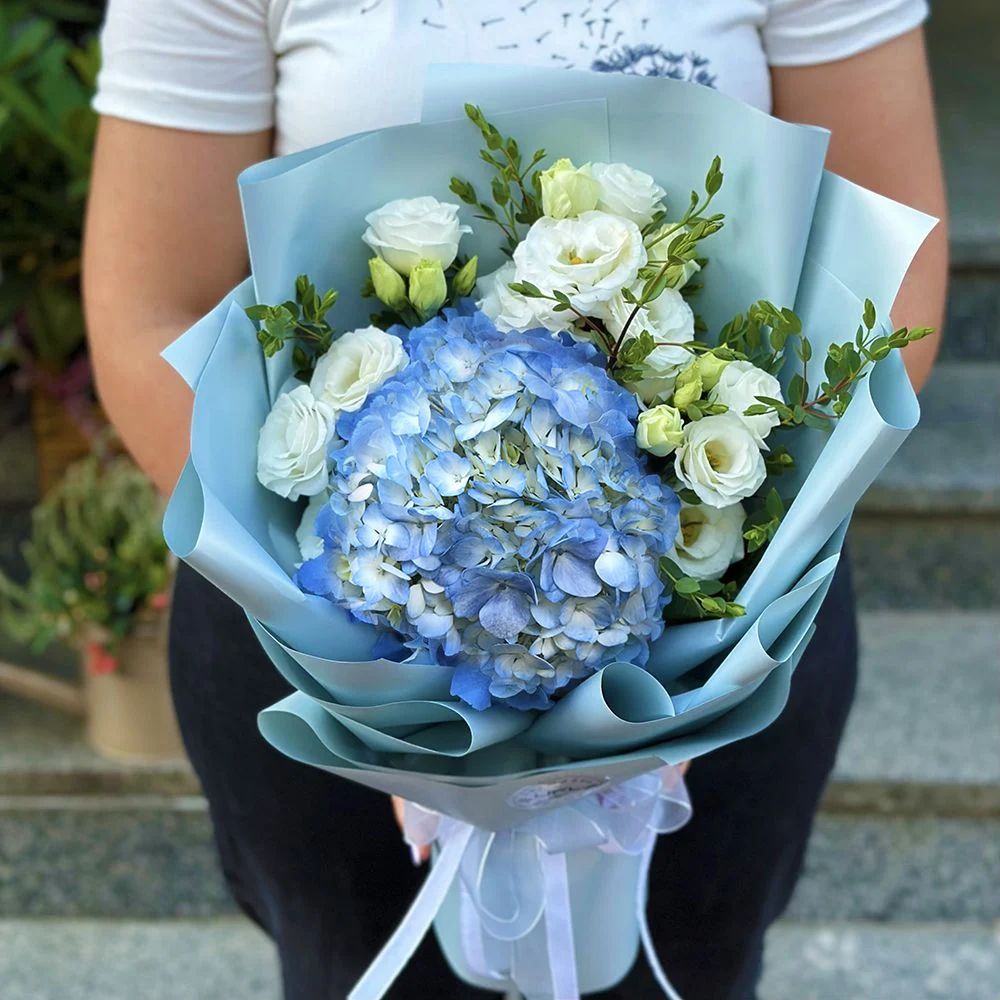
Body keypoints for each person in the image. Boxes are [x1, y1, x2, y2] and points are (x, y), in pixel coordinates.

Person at [83, 2, 947, 998]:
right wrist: (385, 664)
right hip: (322, 636)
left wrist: (666, 674)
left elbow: (891, 272)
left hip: (727, 633)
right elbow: (150, 309)